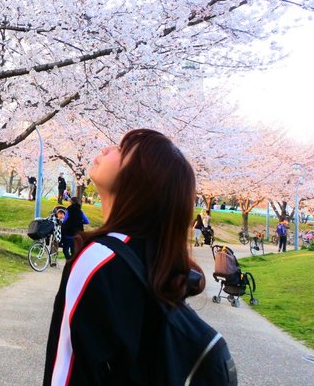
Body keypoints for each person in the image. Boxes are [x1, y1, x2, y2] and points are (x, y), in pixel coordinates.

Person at [44, 129, 206, 385]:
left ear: (141, 180)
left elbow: (65, 371)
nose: (107, 149)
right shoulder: (157, 262)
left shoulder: (98, 259)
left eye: (122, 149)